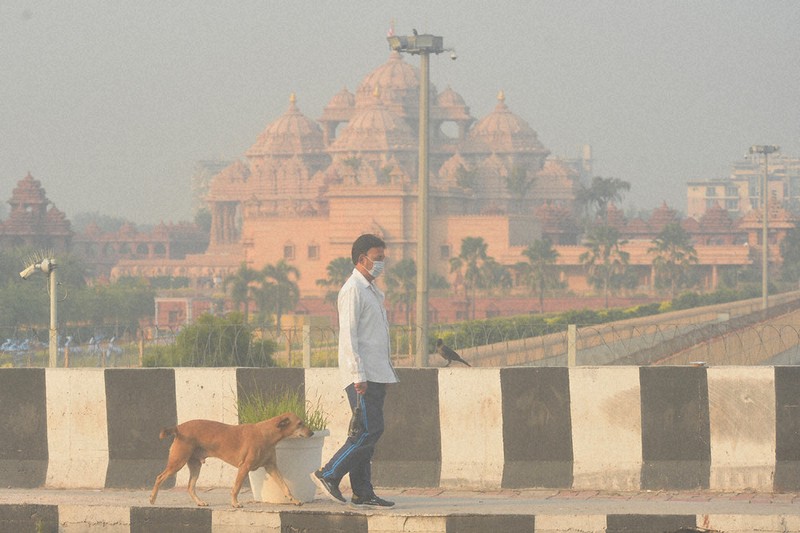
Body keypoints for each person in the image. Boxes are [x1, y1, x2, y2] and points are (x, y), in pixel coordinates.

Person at [311, 234, 398, 508]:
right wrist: (358, 374)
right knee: (368, 431)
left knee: (367, 433)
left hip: (376, 373)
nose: (381, 263)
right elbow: (349, 337)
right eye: (378, 258)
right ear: (362, 259)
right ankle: (328, 473)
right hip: (362, 376)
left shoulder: (370, 290)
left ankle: (362, 491)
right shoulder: (352, 290)